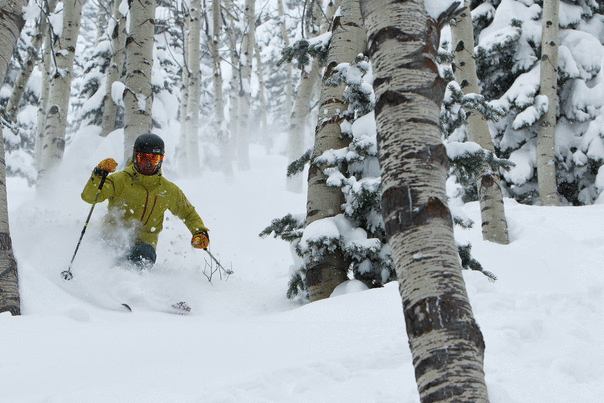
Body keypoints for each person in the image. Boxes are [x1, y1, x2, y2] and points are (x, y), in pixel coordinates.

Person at [81, 133, 209, 268]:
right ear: (135, 156)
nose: (148, 164)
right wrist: (98, 174)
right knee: (104, 249)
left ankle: (132, 282)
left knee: (144, 252)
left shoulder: (167, 190)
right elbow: (89, 197)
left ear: (161, 159)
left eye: (153, 159)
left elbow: (188, 213)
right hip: (111, 241)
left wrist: (199, 231)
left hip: (143, 249)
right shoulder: (119, 181)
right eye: (143, 158)